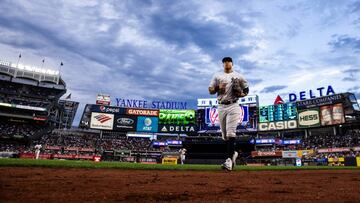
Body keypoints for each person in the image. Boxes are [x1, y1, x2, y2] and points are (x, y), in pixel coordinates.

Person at [208, 57, 249, 171]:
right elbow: (210, 90)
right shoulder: (217, 76)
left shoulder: (239, 76)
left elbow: (246, 90)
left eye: (228, 62)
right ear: (223, 64)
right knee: (225, 136)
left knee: (231, 133)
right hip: (221, 106)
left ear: (232, 63)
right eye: (225, 62)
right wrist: (217, 87)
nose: (227, 63)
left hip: (234, 106)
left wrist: (241, 94)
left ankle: (229, 161)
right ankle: (233, 154)